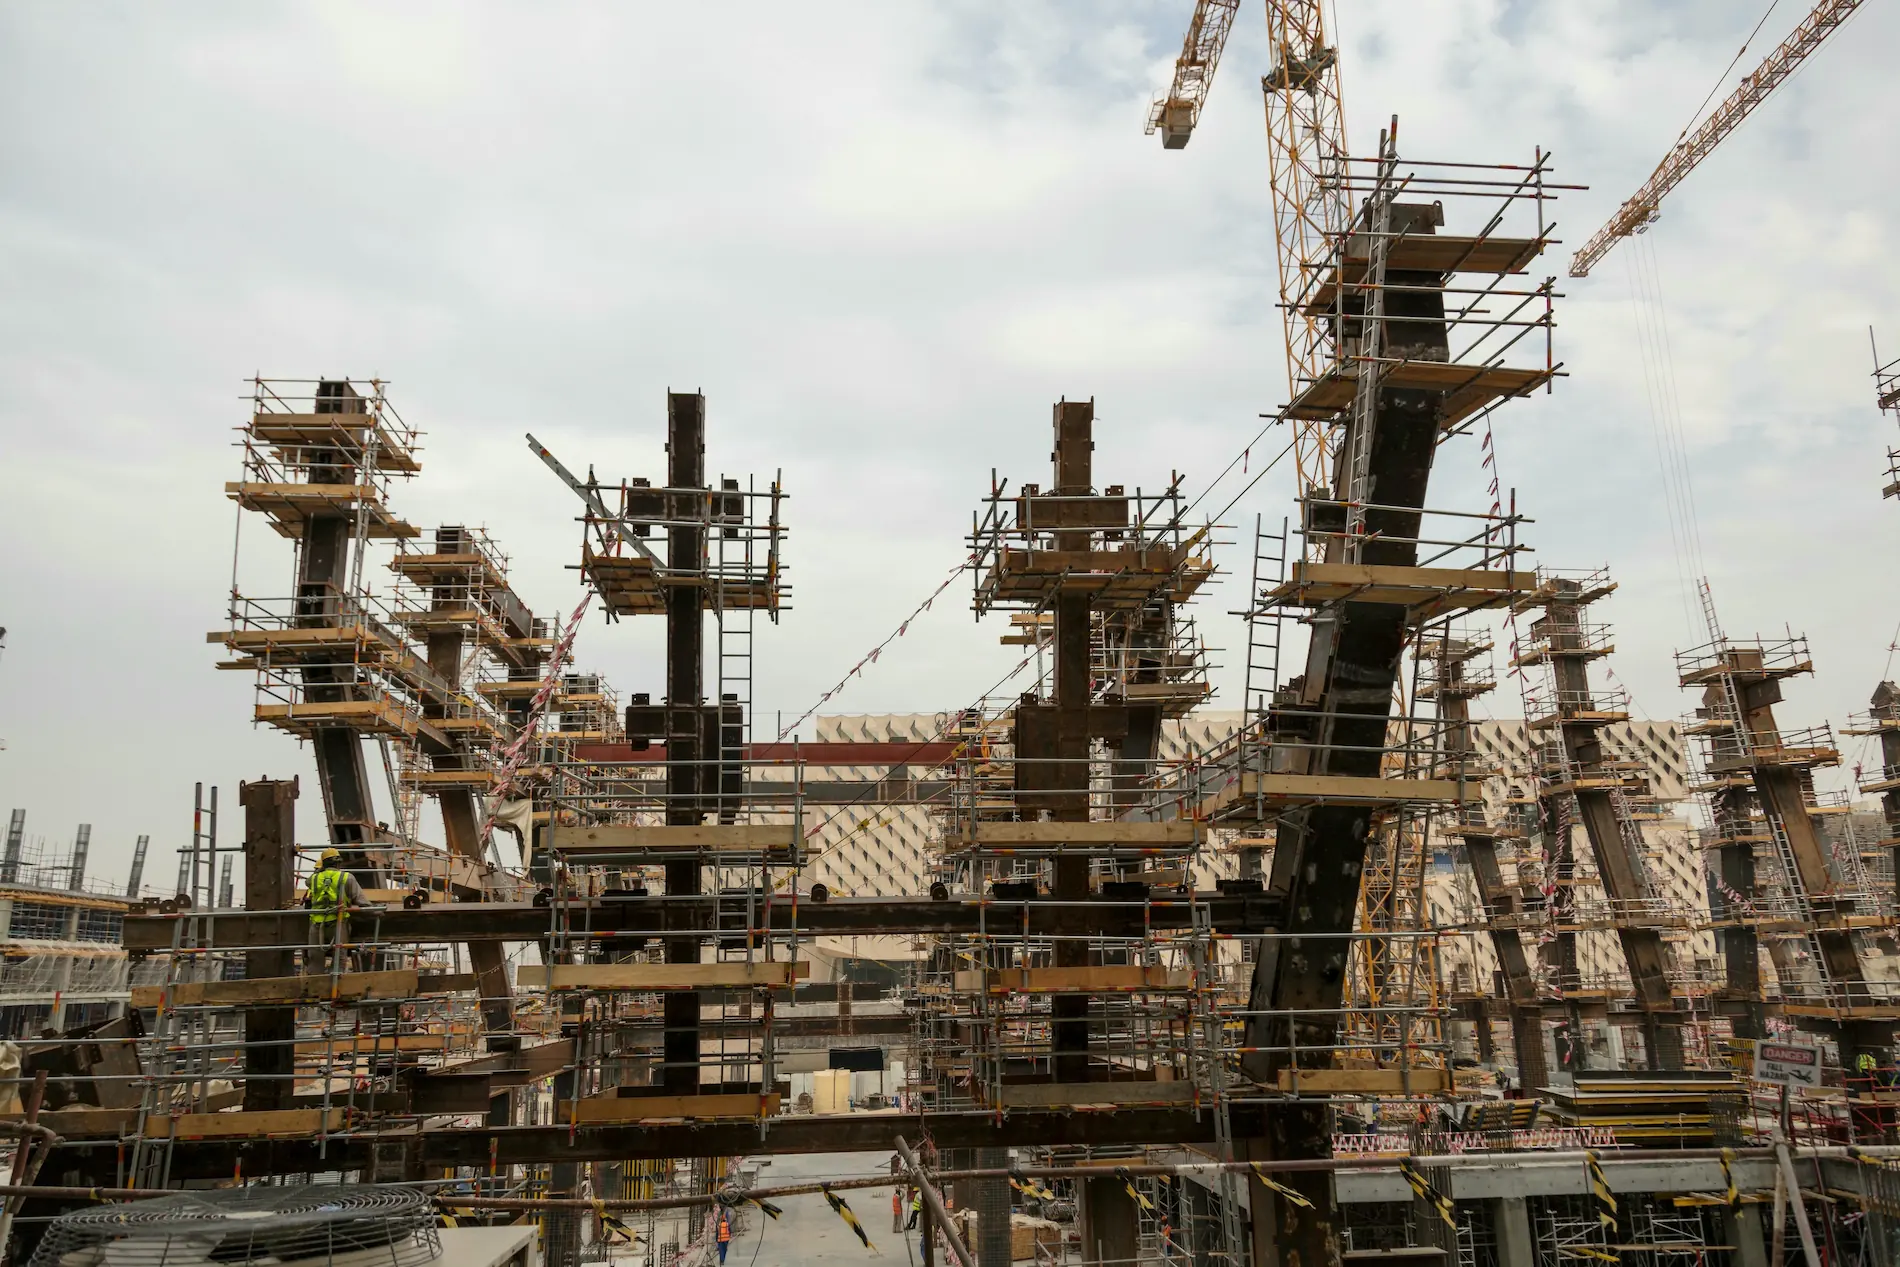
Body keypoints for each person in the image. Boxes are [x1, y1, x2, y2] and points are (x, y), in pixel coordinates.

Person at [304, 848, 369, 975]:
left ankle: (314, 987)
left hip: (317, 923)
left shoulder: (314, 879)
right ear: (339, 863)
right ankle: (336, 983)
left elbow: (308, 881)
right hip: (338, 922)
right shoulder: (346, 877)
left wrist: (320, 870)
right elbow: (361, 901)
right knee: (339, 955)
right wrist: (376, 911)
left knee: (315, 958)